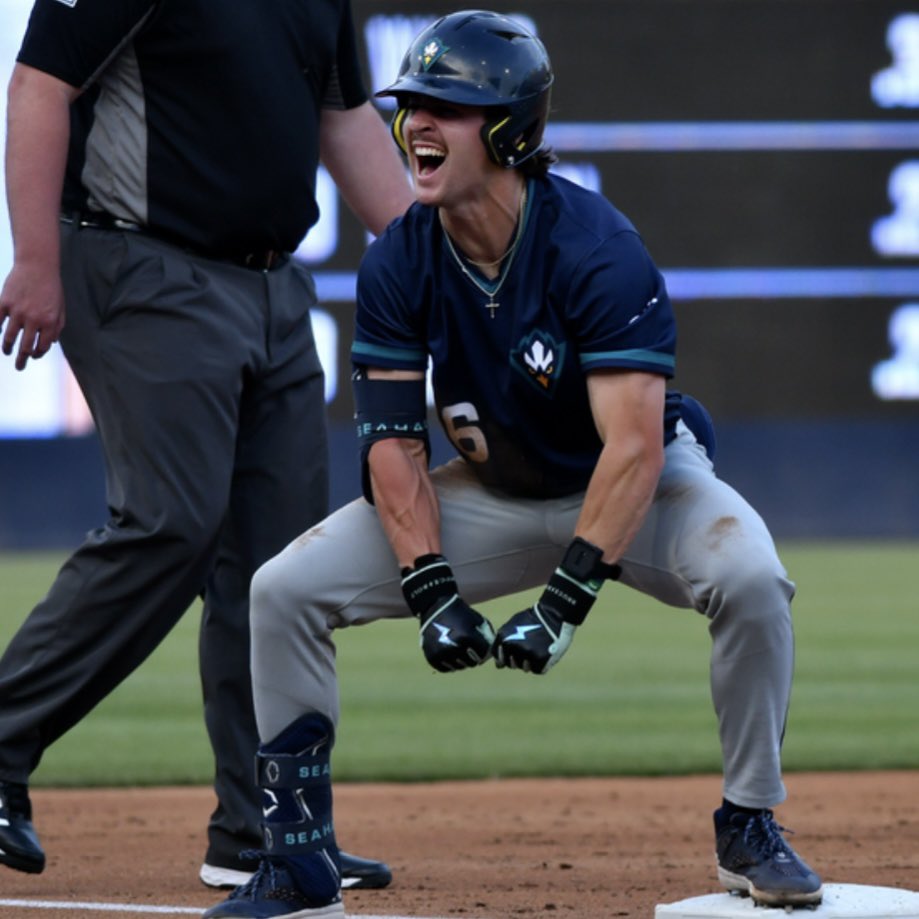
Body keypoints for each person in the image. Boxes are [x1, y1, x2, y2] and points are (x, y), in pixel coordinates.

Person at [204, 10, 824, 918]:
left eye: (444, 107)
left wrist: (563, 603)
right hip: (492, 491)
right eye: (410, 103)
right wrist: (429, 589)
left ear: (509, 129)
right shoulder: (400, 258)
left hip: (631, 487)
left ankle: (749, 821)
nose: (415, 122)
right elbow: (391, 443)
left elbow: (635, 448)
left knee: (752, 576)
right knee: (282, 590)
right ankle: (297, 858)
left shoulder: (595, 247)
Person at [0, 0, 414, 893]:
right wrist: (33, 258)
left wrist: (428, 262)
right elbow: (39, 83)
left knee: (284, 569)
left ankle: (269, 826)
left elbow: (341, 117)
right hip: (144, 264)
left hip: (272, 286)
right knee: (170, 522)